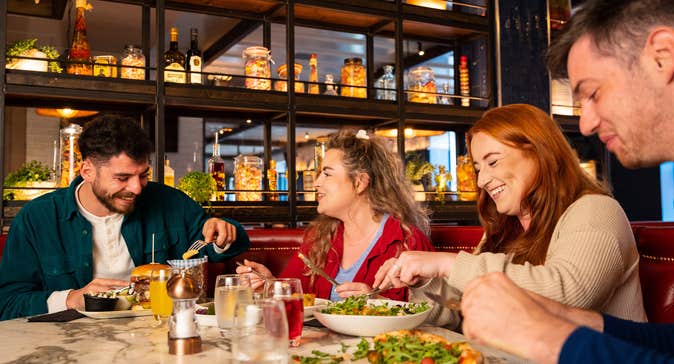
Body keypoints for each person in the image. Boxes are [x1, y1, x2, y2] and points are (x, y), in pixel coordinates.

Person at [459, 0, 674, 362]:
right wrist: (577, 321)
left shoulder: (593, 210)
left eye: (592, 93)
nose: (586, 124)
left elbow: (567, 289)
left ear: (663, 55)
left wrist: (549, 336)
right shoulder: (505, 224)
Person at [374, 104, 646, 327]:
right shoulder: (504, 228)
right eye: (478, 168)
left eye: (493, 161)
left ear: (540, 153)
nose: (482, 181)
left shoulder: (595, 210)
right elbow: (455, 313)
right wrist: (423, 283)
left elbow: (569, 295)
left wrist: (447, 264)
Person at [0, 115, 251, 321]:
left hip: (159, 336)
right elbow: (7, 303)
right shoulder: (38, 218)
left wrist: (220, 230)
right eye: (122, 178)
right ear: (87, 170)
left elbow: (229, 245)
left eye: (143, 175)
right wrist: (70, 298)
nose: (137, 188)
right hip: (72, 345)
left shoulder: (168, 201)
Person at [237, 129, 434, 301]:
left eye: (327, 174)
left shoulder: (407, 242)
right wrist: (270, 286)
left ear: (359, 182)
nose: (316, 183)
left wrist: (377, 305)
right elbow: (298, 298)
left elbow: (427, 317)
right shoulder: (319, 237)